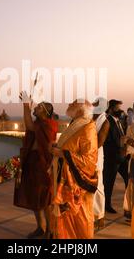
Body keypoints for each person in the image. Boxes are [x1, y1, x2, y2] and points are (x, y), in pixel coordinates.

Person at [49, 100, 98, 239]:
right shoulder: (76, 124)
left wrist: (63, 154)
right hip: (65, 177)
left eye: (73, 104)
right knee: (65, 219)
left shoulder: (87, 127)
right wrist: (58, 147)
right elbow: (70, 145)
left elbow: (89, 161)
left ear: (81, 110)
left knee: (80, 219)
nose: (69, 104)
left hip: (77, 184)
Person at [14, 92, 58, 238]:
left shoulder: (49, 125)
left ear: (45, 113)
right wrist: (27, 106)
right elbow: (31, 127)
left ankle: (50, 231)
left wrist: (26, 105)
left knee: (44, 199)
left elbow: (29, 126)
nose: (36, 107)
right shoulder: (39, 123)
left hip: (42, 164)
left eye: (39, 107)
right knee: (34, 198)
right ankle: (40, 227)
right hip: (32, 162)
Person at [103, 99, 129, 214]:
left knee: (129, 179)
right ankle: (106, 204)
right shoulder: (108, 121)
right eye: (118, 108)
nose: (120, 110)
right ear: (112, 108)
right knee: (109, 182)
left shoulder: (119, 120)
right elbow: (107, 140)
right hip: (112, 157)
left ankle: (129, 204)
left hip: (122, 156)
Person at [92, 98, 110, 229]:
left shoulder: (105, 122)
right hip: (85, 154)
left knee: (98, 185)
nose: (93, 105)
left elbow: (99, 142)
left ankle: (100, 215)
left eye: (96, 104)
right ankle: (90, 214)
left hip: (95, 155)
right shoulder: (90, 117)